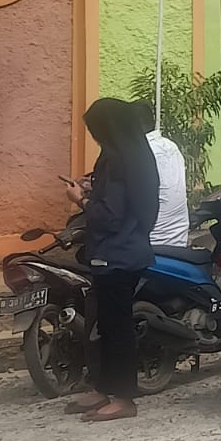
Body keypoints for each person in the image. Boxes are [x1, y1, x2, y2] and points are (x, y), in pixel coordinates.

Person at [66, 97, 159, 423]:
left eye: (95, 130)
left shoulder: (118, 160)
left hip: (117, 254)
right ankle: (104, 389)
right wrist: (96, 187)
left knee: (116, 328)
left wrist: (81, 200)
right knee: (105, 324)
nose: (93, 136)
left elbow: (110, 216)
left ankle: (123, 397)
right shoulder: (128, 155)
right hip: (120, 251)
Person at [131, 102, 189, 247]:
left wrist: (82, 199)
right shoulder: (170, 146)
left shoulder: (140, 152)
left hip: (151, 240)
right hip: (178, 237)